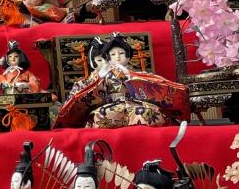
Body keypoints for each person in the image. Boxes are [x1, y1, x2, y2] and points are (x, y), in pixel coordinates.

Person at [54, 34, 191, 129]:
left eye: (121, 53)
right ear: (108, 57)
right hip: (112, 103)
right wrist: (100, 78)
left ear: (128, 56)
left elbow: (154, 85)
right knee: (103, 115)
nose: (117, 57)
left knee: (146, 113)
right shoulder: (102, 74)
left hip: (135, 102)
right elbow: (91, 91)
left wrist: (132, 78)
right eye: (113, 54)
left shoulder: (136, 73)